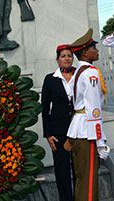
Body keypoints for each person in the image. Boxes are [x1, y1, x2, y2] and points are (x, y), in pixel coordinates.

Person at [66, 29, 109, 201]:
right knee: (89, 182)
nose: (97, 51)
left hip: (79, 128)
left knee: (82, 180)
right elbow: (94, 110)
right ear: (85, 52)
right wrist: (100, 141)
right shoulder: (91, 73)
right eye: (93, 48)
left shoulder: (78, 72)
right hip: (87, 132)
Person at [41, 45, 77, 201]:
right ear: (57, 60)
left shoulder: (80, 75)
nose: (67, 58)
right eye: (63, 56)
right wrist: (48, 134)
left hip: (79, 130)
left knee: (79, 169)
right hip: (58, 132)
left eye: (69, 55)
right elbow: (44, 109)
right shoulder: (50, 79)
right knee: (62, 170)